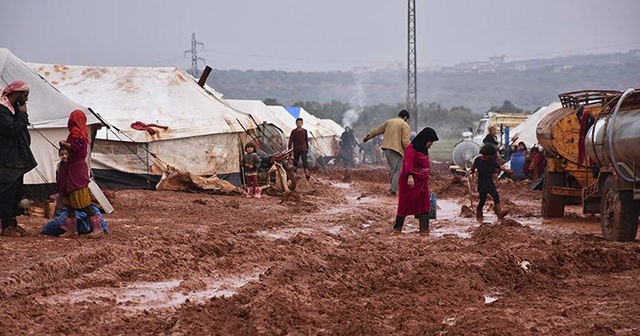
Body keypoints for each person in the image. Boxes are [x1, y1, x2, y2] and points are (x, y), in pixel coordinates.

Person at [56, 110, 105, 238]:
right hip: (73, 169)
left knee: (83, 201)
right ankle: (72, 230)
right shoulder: (82, 132)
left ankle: (97, 228)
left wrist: (65, 144)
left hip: (75, 171)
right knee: (70, 202)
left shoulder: (76, 133)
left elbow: (79, 150)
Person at [0, 80, 37, 237]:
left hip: (16, 158)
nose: (26, 99)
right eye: (25, 95)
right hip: (7, 158)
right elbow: (10, 129)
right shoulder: (2, 110)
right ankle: (7, 224)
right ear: (16, 94)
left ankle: (12, 223)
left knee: (15, 191)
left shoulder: (13, 108)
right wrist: (22, 114)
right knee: (7, 191)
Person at [392, 127, 439, 235]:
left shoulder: (423, 149)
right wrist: (409, 176)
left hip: (422, 181)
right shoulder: (411, 149)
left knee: (424, 204)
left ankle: (424, 229)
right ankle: (397, 228)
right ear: (424, 139)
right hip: (410, 181)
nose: (431, 144)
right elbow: (408, 163)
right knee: (405, 203)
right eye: (430, 141)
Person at [362, 110, 411, 195]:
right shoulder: (404, 125)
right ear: (405, 117)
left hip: (387, 149)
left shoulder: (389, 122)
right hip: (397, 150)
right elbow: (405, 141)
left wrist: (368, 137)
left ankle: (392, 187)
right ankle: (393, 190)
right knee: (398, 170)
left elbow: (377, 130)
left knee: (393, 169)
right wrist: (411, 151)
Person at [468, 144, 513, 223]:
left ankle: (498, 211)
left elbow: (499, 166)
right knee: (482, 200)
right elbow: (473, 168)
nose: (489, 157)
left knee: (496, 196)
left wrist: (508, 171)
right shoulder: (478, 160)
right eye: (488, 155)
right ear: (485, 154)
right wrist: (470, 173)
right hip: (482, 183)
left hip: (489, 182)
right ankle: (479, 213)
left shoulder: (491, 160)